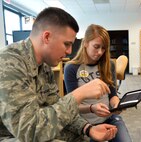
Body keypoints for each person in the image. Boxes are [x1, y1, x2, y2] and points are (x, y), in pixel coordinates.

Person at [0, 7, 118, 142]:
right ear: (47, 37)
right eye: (66, 44)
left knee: (81, 137)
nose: (69, 51)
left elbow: (56, 106)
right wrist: (79, 94)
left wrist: (87, 128)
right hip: (12, 135)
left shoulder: (44, 67)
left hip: (34, 127)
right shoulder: (10, 62)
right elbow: (29, 131)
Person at [64, 24, 132, 142]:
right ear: (85, 43)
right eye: (96, 46)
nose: (100, 52)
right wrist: (92, 108)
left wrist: (116, 105)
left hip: (109, 118)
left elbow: (113, 95)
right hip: (85, 124)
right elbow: (72, 106)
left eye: (104, 48)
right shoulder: (71, 68)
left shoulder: (109, 64)